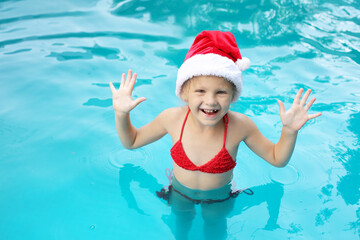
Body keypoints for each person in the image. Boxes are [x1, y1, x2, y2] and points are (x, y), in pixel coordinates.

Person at [109, 30, 321, 239]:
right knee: (181, 228)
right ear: (184, 93)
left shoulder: (240, 126)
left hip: (219, 201)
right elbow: (132, 141)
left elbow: (277, 159)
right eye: (200, 91)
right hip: (180, 195)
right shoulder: (172, 119)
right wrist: (121, 114)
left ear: (233, 96)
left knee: (215, 229)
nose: (210, 101)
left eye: (221, 92)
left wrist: (290, 131)